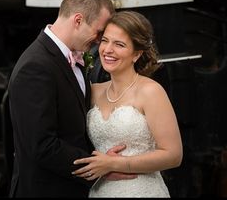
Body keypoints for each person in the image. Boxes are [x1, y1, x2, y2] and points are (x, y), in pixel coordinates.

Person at [8, 0, 133, 197]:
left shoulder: (70, 57)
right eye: (99, 32)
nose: (99, 41)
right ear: (78, 20)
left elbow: (73, 129)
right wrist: (98, 167)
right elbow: (42, 146)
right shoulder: (35, 67)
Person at [72, 10, 183, 197]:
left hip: (141, 191)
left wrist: (114, 164)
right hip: (100, 191)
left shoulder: (151, 92)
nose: (107, 50)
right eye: (105, 41)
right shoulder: (94, 91)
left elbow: (173, 155)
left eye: (119, 44)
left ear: (136, 54)